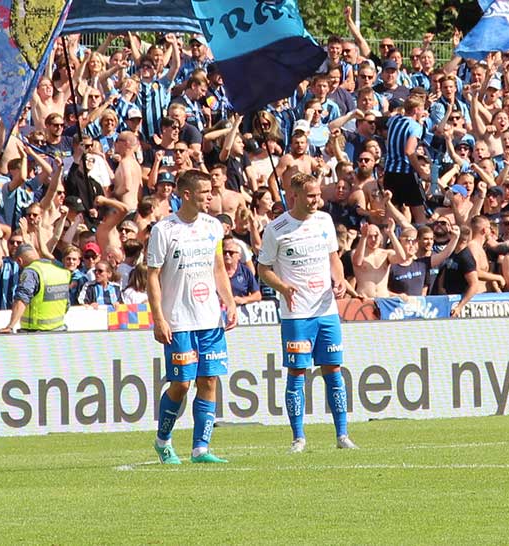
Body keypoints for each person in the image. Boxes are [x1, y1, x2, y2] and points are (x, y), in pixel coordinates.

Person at [257, 172, 358, 453]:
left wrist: (339, 280)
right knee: (297, 372)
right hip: (297, 314)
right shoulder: (276, 229)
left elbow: (333, 259)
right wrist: (282, 287)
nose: (317, 201)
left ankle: (342, 435)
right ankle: (298, 437)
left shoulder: (324, 221)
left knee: (334, 370)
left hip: (326, 310)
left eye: (318, 195)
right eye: (311, 196)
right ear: (294, 196)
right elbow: (263, 269)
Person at [146, 169, 238, 465]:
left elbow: (218, 268)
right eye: (204, 192)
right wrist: (159, 318)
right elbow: (152, 276)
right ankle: (163, 441)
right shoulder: (164, 230)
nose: (210, 197)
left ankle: (201, 448)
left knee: (209, 380)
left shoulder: (214, 227)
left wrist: (230, 302)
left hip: (209, 319)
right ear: (186, 195)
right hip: (178, 320)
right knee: (182, 384)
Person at [0, 243, 71, 333]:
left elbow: (22, 299)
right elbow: (66, 303)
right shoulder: (59, 269)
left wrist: (10, 326)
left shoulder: (31, 272)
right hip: (60, 330)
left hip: (36, 333)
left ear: (20, 261)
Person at [223, 238, 261, 304]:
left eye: (231, 253)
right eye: (225, 252)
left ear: (239, 256)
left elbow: (257, 295)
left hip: (240, 307)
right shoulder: (217, 271)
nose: (227, 255)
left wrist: (244, 299)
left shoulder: (245, 271)